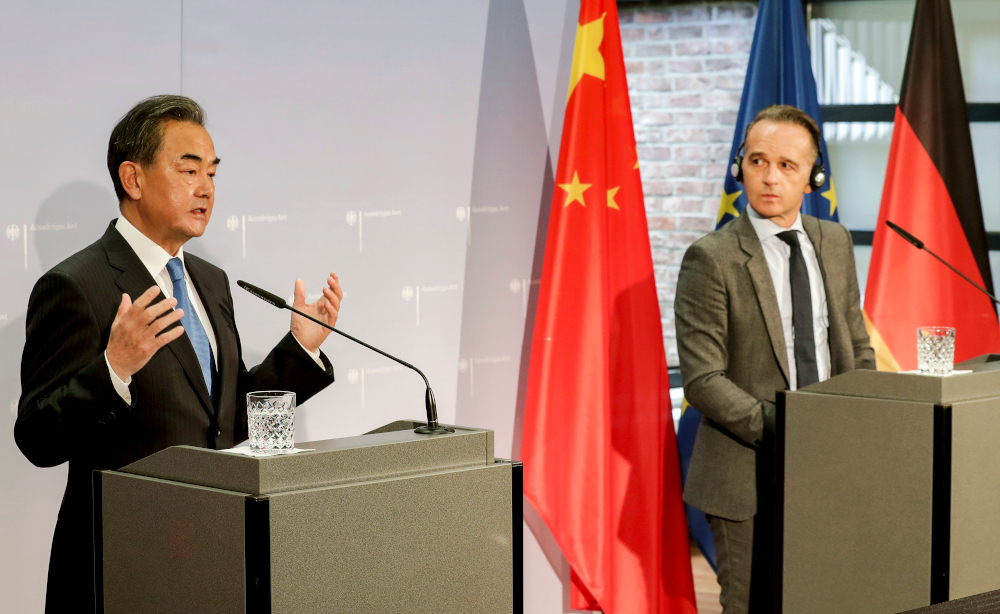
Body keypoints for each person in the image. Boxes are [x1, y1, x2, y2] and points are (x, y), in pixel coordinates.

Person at [13, 95, 344, 613]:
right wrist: (114, 369)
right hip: (124, 568)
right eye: (189, 170)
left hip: (215, 555)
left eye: (211, 173)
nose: (206, 188)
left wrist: (300, 347)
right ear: (133, 179)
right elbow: (37, 437)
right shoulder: (77, 285)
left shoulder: (209, 282)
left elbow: (225, 419)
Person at [674, 104, 875, 613]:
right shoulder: (711, 257)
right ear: (739, 167)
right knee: (753, 605)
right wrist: (792, 427)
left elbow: (855, 346)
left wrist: (861, 417)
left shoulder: (834, 241)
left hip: (832, 462)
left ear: (813, 178)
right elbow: (703, 379)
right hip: (747, 469)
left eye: (787, 165)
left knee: (827, 599)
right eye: (758, 161)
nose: (769, 177)